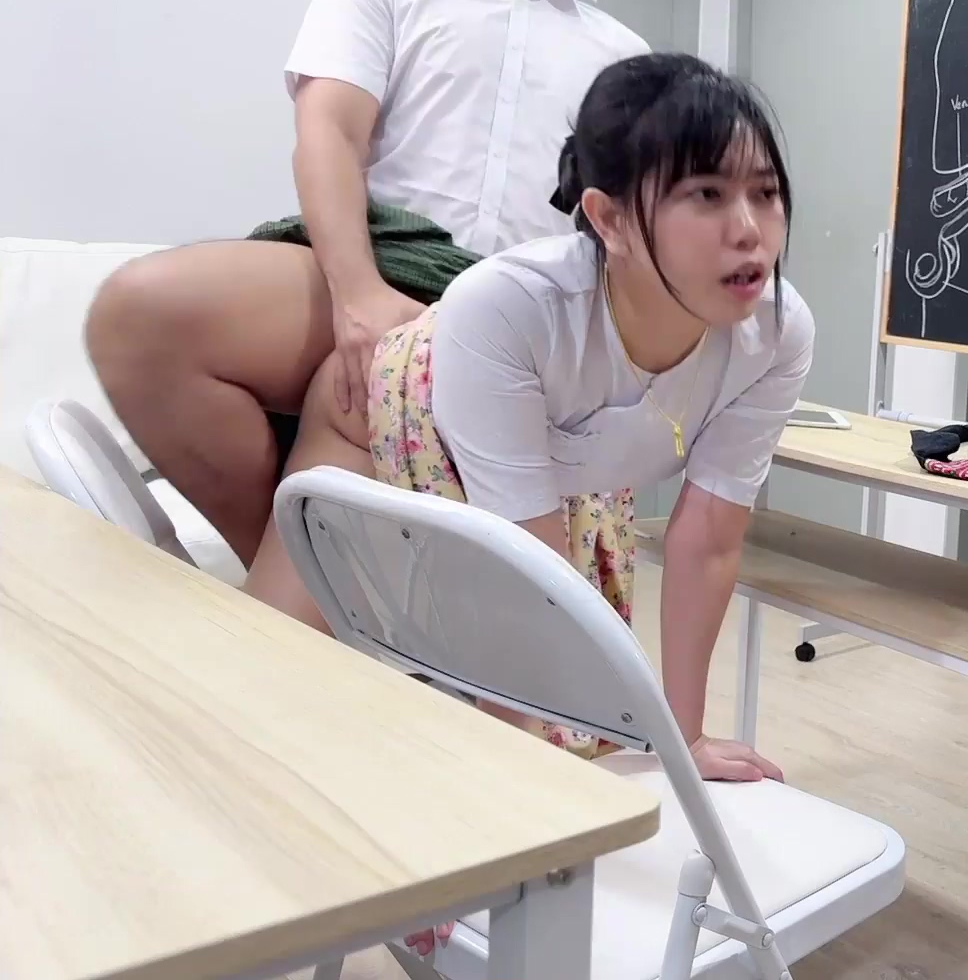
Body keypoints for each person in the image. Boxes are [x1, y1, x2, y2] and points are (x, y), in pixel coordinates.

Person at [245, 51, 809, 792]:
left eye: (765, 193)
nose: (750, 230)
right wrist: (507, 778)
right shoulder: (510, 306)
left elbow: (707, 538)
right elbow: (515, 574)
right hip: (379, 417)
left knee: (564, 728)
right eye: (707, 194)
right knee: (263, 691)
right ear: (609, 219)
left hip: (559, 471)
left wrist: (685, 739)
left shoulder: (776, 332)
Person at [85, 0, 649, 570]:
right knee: (140, 315)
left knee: (357, 389)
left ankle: (320, 589)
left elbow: (637, 242)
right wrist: (358, 295)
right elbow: (328, 128)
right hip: (384, 259)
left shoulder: (626, 59)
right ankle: (322, 576)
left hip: (516, 318)